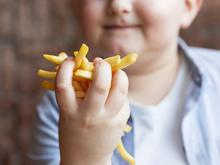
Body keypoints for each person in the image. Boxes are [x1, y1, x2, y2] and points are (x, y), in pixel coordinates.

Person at [28, 0, 220, 164]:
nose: (118, 4)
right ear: (76, 6)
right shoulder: (60, 107)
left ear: (188, 5)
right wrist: (83, 157)